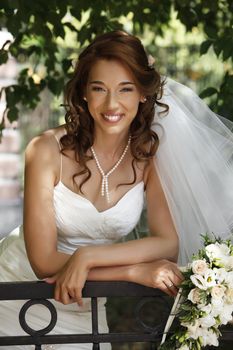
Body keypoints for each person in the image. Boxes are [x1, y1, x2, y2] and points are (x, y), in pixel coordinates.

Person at [1, 30, 233, 349]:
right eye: (99, 89)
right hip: (18, 295)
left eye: (125, 89)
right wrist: (133, 272)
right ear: (83, 92)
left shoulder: (148, 156)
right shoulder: (44, 150)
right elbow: (44, 262)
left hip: (85, 305)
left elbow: (167, 241)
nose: (112, 104)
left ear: (142, 94)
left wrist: (88, 256)